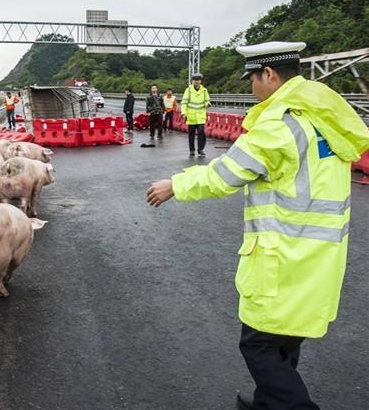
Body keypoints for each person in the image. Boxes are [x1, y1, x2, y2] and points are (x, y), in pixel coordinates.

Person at [146, 41, 369, 410]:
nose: (251, 87)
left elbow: (225, 174)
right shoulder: (320, 118)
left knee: (259, 343)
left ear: (269, 74)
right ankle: (269, 401)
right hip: (317, 254)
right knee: (284, 337)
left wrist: (175, 185)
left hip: (283, 254)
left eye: (252, 78)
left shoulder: (279, 126)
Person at [181, 73, 210, 156]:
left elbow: (207, 100)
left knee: (201, 132)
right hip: (191, 116)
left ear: (200, 81)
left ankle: (200, 149)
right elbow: (184, 103)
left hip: (201, 116)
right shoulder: (188, 90)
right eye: (195, 80)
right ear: (192, 81)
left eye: (198, 80)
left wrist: (207, 104)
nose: (196, 81)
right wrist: (183, 113)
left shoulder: (204, 90)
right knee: (191, 134)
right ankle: (192, 150)